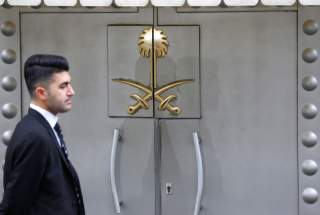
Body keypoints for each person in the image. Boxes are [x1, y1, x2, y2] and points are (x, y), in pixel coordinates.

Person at [0, 54, 85, 215]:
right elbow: (13, 208)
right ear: (41, 92)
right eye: (63, 86)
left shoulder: (43, 128)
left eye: (70, 84)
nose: (71, 92)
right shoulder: (34, 136)